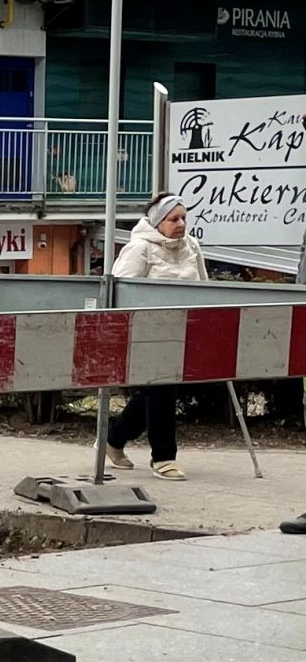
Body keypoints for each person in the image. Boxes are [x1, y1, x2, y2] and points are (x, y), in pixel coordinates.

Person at [108, 195, 204, 481]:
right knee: (162, 389)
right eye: (173, 219)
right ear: (157, 222)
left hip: (181, 329)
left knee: (155, 391)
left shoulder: (192, 247)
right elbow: (119, 291)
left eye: (184, 218)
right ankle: (163, 458)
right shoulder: (138, 249)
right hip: (146, 333)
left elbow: (203, 286)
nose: (181, 224)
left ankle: (114, 440)